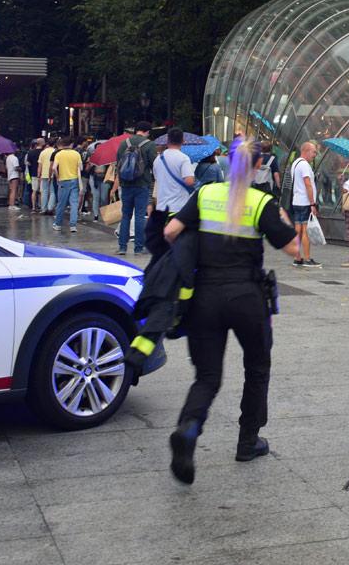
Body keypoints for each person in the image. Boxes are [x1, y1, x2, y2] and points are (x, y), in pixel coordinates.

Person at [161, 137, 299, 484]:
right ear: (257, 167)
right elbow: (294, 249)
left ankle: (189, 428)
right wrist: (282, 219)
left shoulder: (206, 195)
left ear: (226, 163)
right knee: (257, 367)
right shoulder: (261, 201)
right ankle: (247, 441)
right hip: (247, 298)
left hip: (204, 297)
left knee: (207, 376)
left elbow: (171, 231)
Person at [146, 127, 196, 262]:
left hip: (162, 207)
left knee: (164, 243)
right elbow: (189, 181)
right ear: (183, 141)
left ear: (167, 140)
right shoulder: (184, 158)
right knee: (179, 243)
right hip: (179, 208)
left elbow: (157, 179)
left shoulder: (158, 159)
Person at [115, 121, 156, 255]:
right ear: (147, 132)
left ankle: (122, 247)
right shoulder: (149, 144)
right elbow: (154, 164)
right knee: (139, 215)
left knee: (125, 215)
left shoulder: (123, 144)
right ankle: (138, 248)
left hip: (126, 184)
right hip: (142, 184)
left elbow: (118, 164)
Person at [289, 141, 320, 268]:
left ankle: (297, 257)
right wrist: (312, 203)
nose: (315, 155)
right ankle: (307, 258)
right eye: (314, 152)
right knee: (306, 230)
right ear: (306, 151)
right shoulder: (305, 165)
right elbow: (307, 184)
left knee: (298, 230)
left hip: (296, 201)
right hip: (305, 202)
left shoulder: (295, 163)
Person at [52, 135, 84, 233]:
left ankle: (58, 224)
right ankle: (73, 226)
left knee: (61, 203)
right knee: (74, 203)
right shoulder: (76, 154)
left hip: (63, 181)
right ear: (71, 144)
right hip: (74, 180)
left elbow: (53, 168)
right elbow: (81, 168)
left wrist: (57, 177)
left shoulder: (59, 154)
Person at [38, 138, 58, 215]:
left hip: (44, 174)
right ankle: (50, 208)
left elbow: (40, 165)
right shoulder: (55, 152)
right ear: (54, 144)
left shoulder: (43, 152)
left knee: (44, 192)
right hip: (53, 174)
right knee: (52, 192)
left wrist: (39, 174)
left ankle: (43, 209)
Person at [27, 138, 44, 210]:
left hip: (33, 173)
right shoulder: (43, 152)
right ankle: (41, 206)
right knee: (41, 191)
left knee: (34, 191)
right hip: (42, 174)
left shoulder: (30, 152)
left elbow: (28, 163)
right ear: (42, 143)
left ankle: (33, 207)